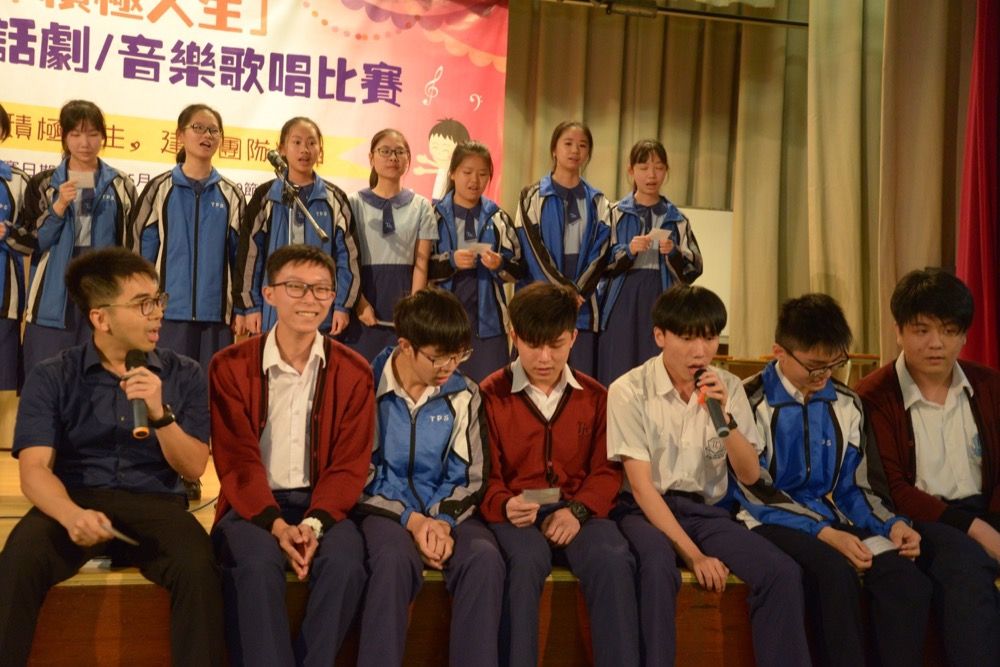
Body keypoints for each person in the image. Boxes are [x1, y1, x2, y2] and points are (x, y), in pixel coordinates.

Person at [0, 247, 223, 667]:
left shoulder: (184, 373)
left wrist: (160, 415)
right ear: (101, 318)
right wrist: (70, 515)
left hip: (156, 503)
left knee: (198, 565)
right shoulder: (53, 374)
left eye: (158, 300)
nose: (158, 314)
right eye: (143, 304)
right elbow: (34, 470)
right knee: (18, 560)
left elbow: (194, 466)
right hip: (75, 499)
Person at [607, 284, 810, 667]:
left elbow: (749, 474)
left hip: (709, 512)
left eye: (710, 337)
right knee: (656, 569)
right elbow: (642, 487)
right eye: (687, 338)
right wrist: (695, 555)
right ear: (660, 336)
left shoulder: (728, 387)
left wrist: (725, 417)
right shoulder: (628, 390)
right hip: (643, 510)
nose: (700, 351)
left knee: (781, 572)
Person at [735, 293, 931, 667]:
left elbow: (855, 486)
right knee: (835, 573)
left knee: (905, 578)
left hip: (828, 519)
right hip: (766, 520)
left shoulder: (847, 403)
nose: (824, 375)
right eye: (814, 366)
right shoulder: (747, 400)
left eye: (834, 363)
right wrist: (824, 533)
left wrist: (891, 524)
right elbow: (753, 490)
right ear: (779, 352)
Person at [209, 244, 374, 666]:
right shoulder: (229, 366)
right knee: (256, 566)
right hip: (251, 508)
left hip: (323, 507)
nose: (310, 299)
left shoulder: (355, 371)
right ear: (269, 294)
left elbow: (350, 465)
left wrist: (313, 524)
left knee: (346, 565)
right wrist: (276, 525)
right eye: (296, 287)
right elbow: (236, 461)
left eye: (322, 290)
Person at [479, 282, 639, 667]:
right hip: (517, 512)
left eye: (556, 344)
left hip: (578, 509)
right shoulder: (490, 394)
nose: (544, 358)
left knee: (613, 557)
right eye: (533, 345)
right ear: (514, 336)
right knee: (523, 563)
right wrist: (505, 504)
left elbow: (606, 471)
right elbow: (485, 475)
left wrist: (578, 511)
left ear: (573, 338)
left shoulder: (596, 396)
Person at [857, 268, 1000, 666]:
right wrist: (979, 530)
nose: (936, 343)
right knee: (965, 566)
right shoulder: (873, 397)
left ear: (964, 335)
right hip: (920, 519)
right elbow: (893, 488)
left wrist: (990, 523)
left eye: (949, 331)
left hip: (986, 511)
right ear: (898, 331)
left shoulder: (989, 386)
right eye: (921, 331)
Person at [355, 287, 503, 667]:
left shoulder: (465, 394)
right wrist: (412, 520)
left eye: (459, 355)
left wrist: (440, 520)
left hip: (445, 511)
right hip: (384, 510)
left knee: (484, 559)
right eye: (438, 357)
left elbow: (470, 476)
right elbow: (360, 474)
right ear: (405, 346)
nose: (449, 367)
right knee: (392, 560)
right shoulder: (365, 386)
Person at [17, 100, 137, 377]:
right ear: (64, 136)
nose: (85, 143)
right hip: (52, 296)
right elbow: (34, 242)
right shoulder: (44, 183)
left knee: (98, 382)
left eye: (93, 134)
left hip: (103, 296)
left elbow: (130, 248)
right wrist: (58, 206)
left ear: (103, 137)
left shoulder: (121, 185)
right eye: (76, 134)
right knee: (47, 381)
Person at [129, 103, 250, 369]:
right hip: (166, 313)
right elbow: (139, 253)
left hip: (216, 316)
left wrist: (241, 308)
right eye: (198, 128)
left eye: (213, 131)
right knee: (166, 384)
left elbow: (241, 259)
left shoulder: (231, 195)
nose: (207, 135)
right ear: (180, 135)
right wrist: (140, 303)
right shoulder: (159, 189)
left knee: (210, 387)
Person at [240, 117, 360, 336]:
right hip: (272, 313)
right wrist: (251, 306)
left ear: (320, 150)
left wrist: (342, 306)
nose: (305, 150)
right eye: (296, 142)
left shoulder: (335, 199)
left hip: (320, 313)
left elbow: (348, 258)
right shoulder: (266, 196)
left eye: (312, 143)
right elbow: (250, 255)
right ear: (282, 149)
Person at [597, 139, 702, 386]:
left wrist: (673, 253)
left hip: (662, 298)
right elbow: (598, 262)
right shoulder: (614, 214)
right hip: (621, 299)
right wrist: (627, 250)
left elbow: (694, 267)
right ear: (631, 170)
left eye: (658, 168)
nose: (651, 175)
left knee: (657, 369)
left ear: (666, 171)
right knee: (618, 367)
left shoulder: (677, 219)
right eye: (644, 168)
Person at [513, 120, 611, 378]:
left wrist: (578, 292)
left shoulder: (598, 201)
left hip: (582, 304)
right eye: (568, 143)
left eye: (582, 145)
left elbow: (602, 251)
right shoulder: (531, 196)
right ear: (554, 149)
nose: (575, 150)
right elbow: (532, 250)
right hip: (539, 299)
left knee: (580, 380)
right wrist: (562, 292)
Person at [429, 140, 523, 381]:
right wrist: (450, 261)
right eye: (467, 172)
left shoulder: (498, 217)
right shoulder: (433, 216)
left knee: (489, 389)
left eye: (482, 174)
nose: (475, 180)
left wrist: (499, 264)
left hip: (488, 325)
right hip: (442, 321)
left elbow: (519, 269)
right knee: (442, 389)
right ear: (453, 173)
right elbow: (420, 265)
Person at [342, 128, 437, 361]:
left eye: (399, 152)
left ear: (408, 159)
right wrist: (359, 303)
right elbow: (344, 260)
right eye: (385, 151)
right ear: (371, 158)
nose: (393, 158)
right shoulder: (352, 203)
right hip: (361, 303)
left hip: (403, 304)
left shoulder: (421, 206)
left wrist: (412, 311)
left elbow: (421, 264)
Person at [0, 102, 30, 391]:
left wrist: (8, 232)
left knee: (5, 388)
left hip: (4, 297)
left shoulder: (18, 182)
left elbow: (32, 238)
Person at [412, 118, 470, 201]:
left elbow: (442, 169)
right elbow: (440, 167)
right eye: (435, 147)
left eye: (445, 149)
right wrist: (426, 162)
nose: (439, 153)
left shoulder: (456, 169)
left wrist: (424, 169)